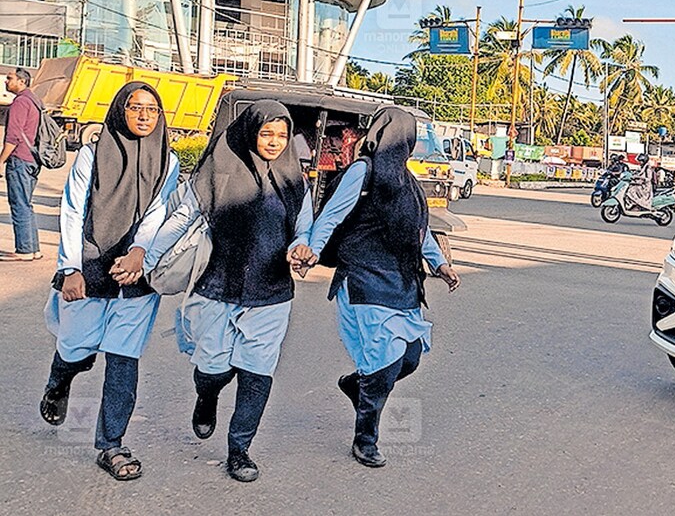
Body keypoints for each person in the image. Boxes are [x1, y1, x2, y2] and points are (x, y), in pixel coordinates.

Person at [128, 101, 311, 482]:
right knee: (213, 368)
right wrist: (145, 261)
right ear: (250, 133)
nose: (275, 142)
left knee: (257, 373)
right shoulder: (218, 172)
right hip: (215, 289)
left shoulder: (295, 181)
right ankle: (207, 396)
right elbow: (181, 220)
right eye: (267, 134)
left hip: (272, 293)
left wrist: (302, 248)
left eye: (282, 135)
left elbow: (303, 229)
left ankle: (239, 449)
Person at [289, 106, 459, 469]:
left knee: (409, 357)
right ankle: (365, 438)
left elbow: (421, 230)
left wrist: (440, 264)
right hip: (364, 278)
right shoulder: (362, 172)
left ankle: (358, 385)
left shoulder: (407, 181)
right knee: (383, 363)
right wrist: (311, 251)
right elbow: (331, 216)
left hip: (401, 280)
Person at [38, 82, 179, 481]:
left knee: (123, 358)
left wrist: (140, 253)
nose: (144, 116)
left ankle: (111, 444)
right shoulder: (91, 153)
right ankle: (58, 381)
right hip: (91, 264)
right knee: (75, 346)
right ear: (121, 109)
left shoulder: (167, 161)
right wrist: (70, 267)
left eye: (152, 110)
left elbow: (156, 212)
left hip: (135, 275)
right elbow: (72, 208)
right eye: (136, 107)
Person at [1, 68, 44, 260]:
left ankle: (24, 250)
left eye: (10, 78)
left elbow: (13, 136)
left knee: (19, 204)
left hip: (20, 159)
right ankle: (33, 248)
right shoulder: (35, 101)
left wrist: (1, 160)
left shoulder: (20, 103)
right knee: (26, 203)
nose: (6, 82)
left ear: (22, 82)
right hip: (33, 159)